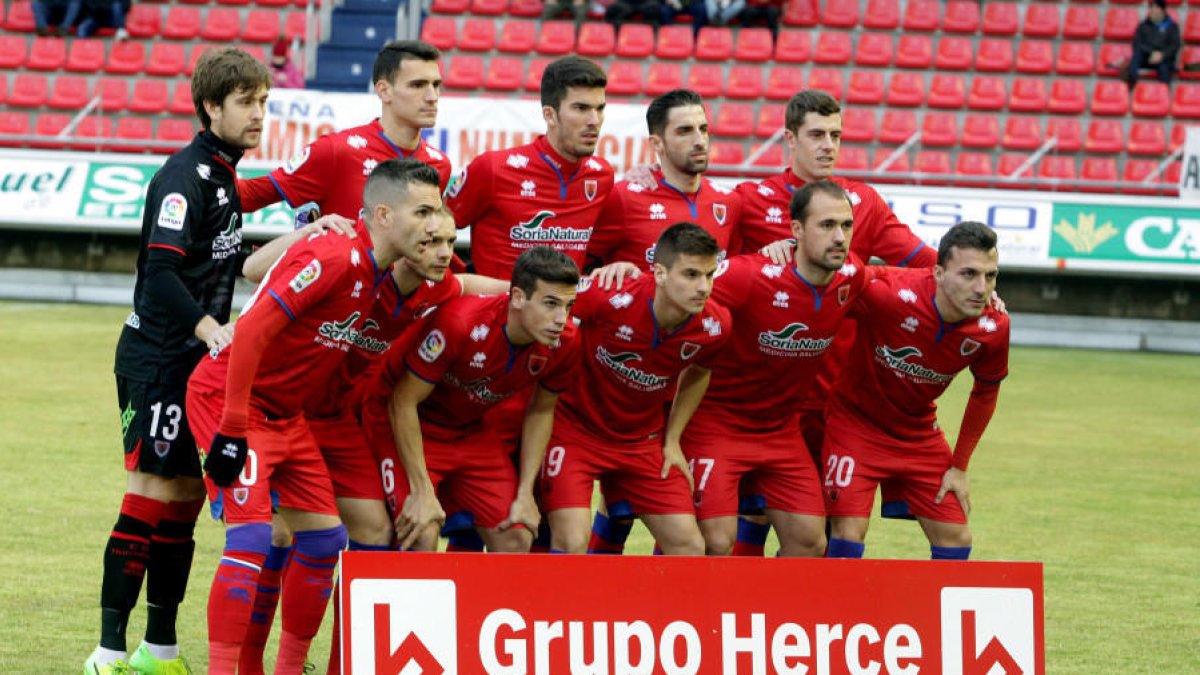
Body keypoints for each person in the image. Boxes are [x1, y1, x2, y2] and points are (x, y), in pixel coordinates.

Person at [186, 158, 443, 673]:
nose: (435, 226)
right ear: (384, 215)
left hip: (286, 415)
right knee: (255, 537)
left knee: (326, 539)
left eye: (437, 212)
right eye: (423, 212)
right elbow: (253, 329)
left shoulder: (375, 271)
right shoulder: (333, 255)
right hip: (230, 400)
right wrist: (233, 428)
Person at [84, 47, 271, 675]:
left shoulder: (225, 177)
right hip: (159, 358)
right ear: (211, 106)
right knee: (150, 492)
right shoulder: (183, 177)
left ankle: (158, 649)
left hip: (200, 368)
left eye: (263, 102)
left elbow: (230, 264)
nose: (257, 114)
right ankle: (107, 652)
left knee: (188, 497)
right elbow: (159, 271)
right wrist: (207, 325)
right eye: (245, 102)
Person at [683, 181, 883, 557]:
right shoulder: (748, 275)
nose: (839, 237)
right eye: (826, 226)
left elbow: (899, 283)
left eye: (846, 225)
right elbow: (676, 300)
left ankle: (769, 615)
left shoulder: (851, 276)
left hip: (780, 431)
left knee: (810, 541)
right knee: (715, 540)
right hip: (717, 423)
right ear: (796, 231)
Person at [362, 247, 582, 552]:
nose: (562, 318)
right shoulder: (460, 323)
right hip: (409, 423)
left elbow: (541, 411)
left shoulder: (565, 340)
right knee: (421, 534)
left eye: (569, 305)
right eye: (551, 304)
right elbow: (403, 402)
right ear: (517, 297)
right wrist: (422, 489)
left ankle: (484, 601)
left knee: (517, 536)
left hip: (470, 430)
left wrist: (525, 493)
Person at [824, 221, 1009, 560]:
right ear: (938, 273)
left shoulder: (994, 326)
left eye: (990, 276)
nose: (981, 288)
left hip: (917, 432)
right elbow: (830, 277)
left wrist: (960, 466)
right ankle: (834, 612)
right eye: (968, 274)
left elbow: (985, 392)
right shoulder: (888, 292)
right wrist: (783, 252)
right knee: (848, 533)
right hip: (856, 424)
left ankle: (939, 614)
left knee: (956, 536)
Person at [542, 222, 729, 554]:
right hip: (576, 432)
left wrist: (672, 439)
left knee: (690, 547)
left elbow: (700, 371)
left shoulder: (715, 325)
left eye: (709, 275)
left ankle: (653, 608)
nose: (703, 287)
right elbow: (541, 302)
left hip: (642, 442)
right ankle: (565, 607)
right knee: (571, 542)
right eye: (690, 275)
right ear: (658, 273)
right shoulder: (609, 293)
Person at [239, 39, 452, 218]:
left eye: (436, 85)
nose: (432, 97)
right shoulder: (335, 151)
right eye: (418, 85)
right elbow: (246, 197)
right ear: (384, 91)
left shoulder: (439, 165)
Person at [447, 55, 613, 279]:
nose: (594, 120)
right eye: (581, 108)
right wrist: (462, 281)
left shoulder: (602, 176)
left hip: (563, 311)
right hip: (495, 310)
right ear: (550, 115)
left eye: (599, 108)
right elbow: (431, 232)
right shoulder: (492, 169)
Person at [587, 88, 741, 272]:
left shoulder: (730, 203)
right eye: (684, 131)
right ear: (656, 143)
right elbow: (579, 269)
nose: (699, 140)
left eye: (703, 129)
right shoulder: (622, 198)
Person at [1128, 0, 1181, 88]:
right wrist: (1151, 52)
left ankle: (1164, 93)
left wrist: (1162, 55)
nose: (1153, 10)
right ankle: (1132, 85)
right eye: (1151, 8)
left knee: (1165, 67)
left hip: (1163, 59)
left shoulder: (1172, 26)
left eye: (1156, 8)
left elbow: (1175, 45)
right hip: (1147, 57)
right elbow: (1137, 43)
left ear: (1163, 10)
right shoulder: (1144, 25)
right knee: (1136, 55)